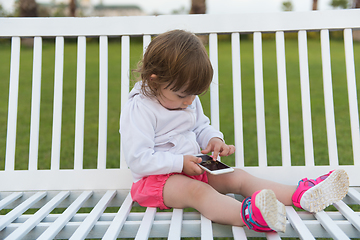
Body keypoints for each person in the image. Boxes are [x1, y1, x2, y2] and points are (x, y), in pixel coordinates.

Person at [120, 29, 349, 233]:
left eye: (195, 95)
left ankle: (301, 195)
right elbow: (139, 159)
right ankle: (250, 216)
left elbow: (200, 126)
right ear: (155, 80)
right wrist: (180, 163)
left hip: (191, 167)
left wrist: (213, 138)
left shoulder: (185, 98)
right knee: (198, 192)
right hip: (154, 182)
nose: (189, 102)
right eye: (183, 95)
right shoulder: (139, 108)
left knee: (237, 177)